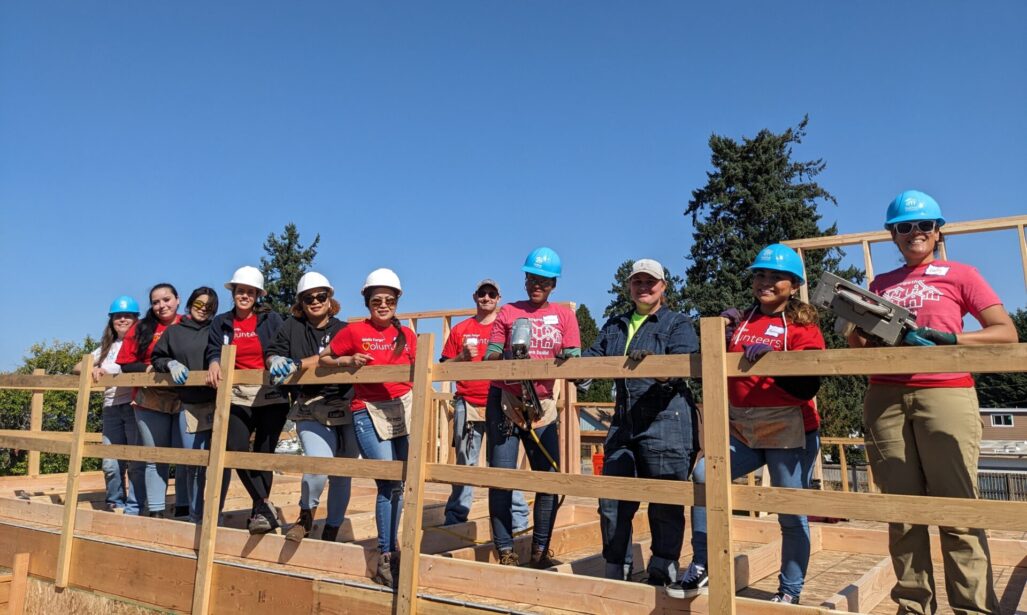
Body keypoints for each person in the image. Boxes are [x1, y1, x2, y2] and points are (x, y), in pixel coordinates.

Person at [847, 190, 1017, 615]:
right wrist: (857, 331)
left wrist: (953, 339)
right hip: (885, 397)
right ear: (892, 234)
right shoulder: (879, 285)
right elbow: (859, 346)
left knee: (957, 508)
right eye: (904, 227)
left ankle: (974, 608)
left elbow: (1005, 332)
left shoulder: (961, 273)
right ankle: (913, 607)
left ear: (938, 231)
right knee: (903, 512)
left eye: (924, 225)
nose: (914, 233)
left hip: (946, 391)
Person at [678, 244, 825, 604]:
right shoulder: (742, 321)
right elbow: (716, 367)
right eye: (760, 275)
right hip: (743, 426)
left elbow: (809, 385)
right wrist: (722, 335)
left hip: (788, 428)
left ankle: (789, 591)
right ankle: (703, 563)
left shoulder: (802, 326)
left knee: (790, 511)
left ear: (793, 285)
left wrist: (776, 363)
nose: (766, 282)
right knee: (704, 477)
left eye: (776, 277)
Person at [582, 259, 699, 588]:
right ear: (629, 286)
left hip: (666, 420)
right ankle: (616, 570)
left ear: (663, 286)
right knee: (612, 500)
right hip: (624, 423)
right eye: (638, 282)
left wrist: (656, 366)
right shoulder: (616, 325)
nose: (644, 287)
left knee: (664, 502)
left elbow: (684, 364)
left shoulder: (678, 323)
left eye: (651, 282)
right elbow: (593, 357)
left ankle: (662, 572)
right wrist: (571, 361)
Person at [484, 247, 581, 568]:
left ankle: (540, 550)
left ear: (554, 284)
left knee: (548, 479)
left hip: (543, 405)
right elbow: (491, 354)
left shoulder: (565, 316)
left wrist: (570, 360)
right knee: (502, 477)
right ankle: (506, 551)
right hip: (506, 401)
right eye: (532, 278)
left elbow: (574, 357)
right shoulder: (509, 312)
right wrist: (506, 356)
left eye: (544, 280)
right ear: (525, 279)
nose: (537, 284)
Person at [320, 268, 416, 587]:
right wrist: (347, 362)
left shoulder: (407, 335)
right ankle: (386, 557)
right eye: (377, 300)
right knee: (387, 482)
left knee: (400, 483)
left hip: (402, 409)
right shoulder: (354, 332)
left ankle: (393, 547)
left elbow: (421, 370)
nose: (383, 305)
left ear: (397, 301)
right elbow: (325, 359)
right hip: (368, 410)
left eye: (389, 300)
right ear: (367, 302)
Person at [266, 272, 357, 544]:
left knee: (342, 473)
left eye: (321, 296)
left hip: (345, 404)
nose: (315, 302)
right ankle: (305, 517)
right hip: (310, 405)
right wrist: (274, 360)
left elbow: (342, 356)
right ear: (301, 303)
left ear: (330, 299)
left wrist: (300, 363)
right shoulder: (291, 327)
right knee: (317, 465)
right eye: (309, 298)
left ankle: (331, 531)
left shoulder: (345, 330)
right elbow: (272, 351)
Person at [205, 266, 289, 534]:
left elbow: (282, 345)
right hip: (237, 394)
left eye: (250, 292)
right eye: (240, 291)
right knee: (236, 450)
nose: (245, 296)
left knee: (264, 455)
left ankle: (259, 513)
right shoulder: (222, 322)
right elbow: (212, 348)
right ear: (233, 293)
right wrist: (214, 361)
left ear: (257, 295)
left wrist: (277, 358)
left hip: (271, 395)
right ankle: (263, 504)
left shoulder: (271, 319)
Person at [440, 279, 529, 531]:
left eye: (492, 294)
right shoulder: (460, 329)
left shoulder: (507, 329)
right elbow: (442, 368)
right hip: (468, 404)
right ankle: (455, 519)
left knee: (504, 464)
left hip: (502, 403)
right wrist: (461, 357)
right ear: (475, 296)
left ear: (498, 298)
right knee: (465, 463)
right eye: (482, 293)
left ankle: (518, 520)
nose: (486, 298)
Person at [151, 287, 219, 523]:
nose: (203, 309)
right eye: (199, 304)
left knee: (220, 462)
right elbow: (157, 357)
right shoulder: (174, 332)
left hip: (218, 404)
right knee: (193, 463)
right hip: (189, 405)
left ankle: (215, 515)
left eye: (209, 306)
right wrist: (170, 364)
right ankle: (195, 515)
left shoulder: (217, 329)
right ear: (189, 304)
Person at [117, 283, 183, 518]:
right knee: (155, 456)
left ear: (177, 299)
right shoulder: (142, 328)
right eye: (156, 302)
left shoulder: (188, 324)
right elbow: (125, 363)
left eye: (166, 299)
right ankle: (156, 511)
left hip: (185, 399)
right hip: (150, 399)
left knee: (185, 456)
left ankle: (184, 508)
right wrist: (148, 369)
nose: (161, 305)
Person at [74, 295, 145, 515]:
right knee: (110, 463)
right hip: (111, 408)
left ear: (136, 319)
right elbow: (78, 366)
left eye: (127, 316)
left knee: (135, 460)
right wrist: (93, 368)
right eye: (118, 316)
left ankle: (135, 505)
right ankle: (115, 502)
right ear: (111, 320)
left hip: (133, 405)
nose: (122, 320)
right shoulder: (106, 348)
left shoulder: (140, 344)